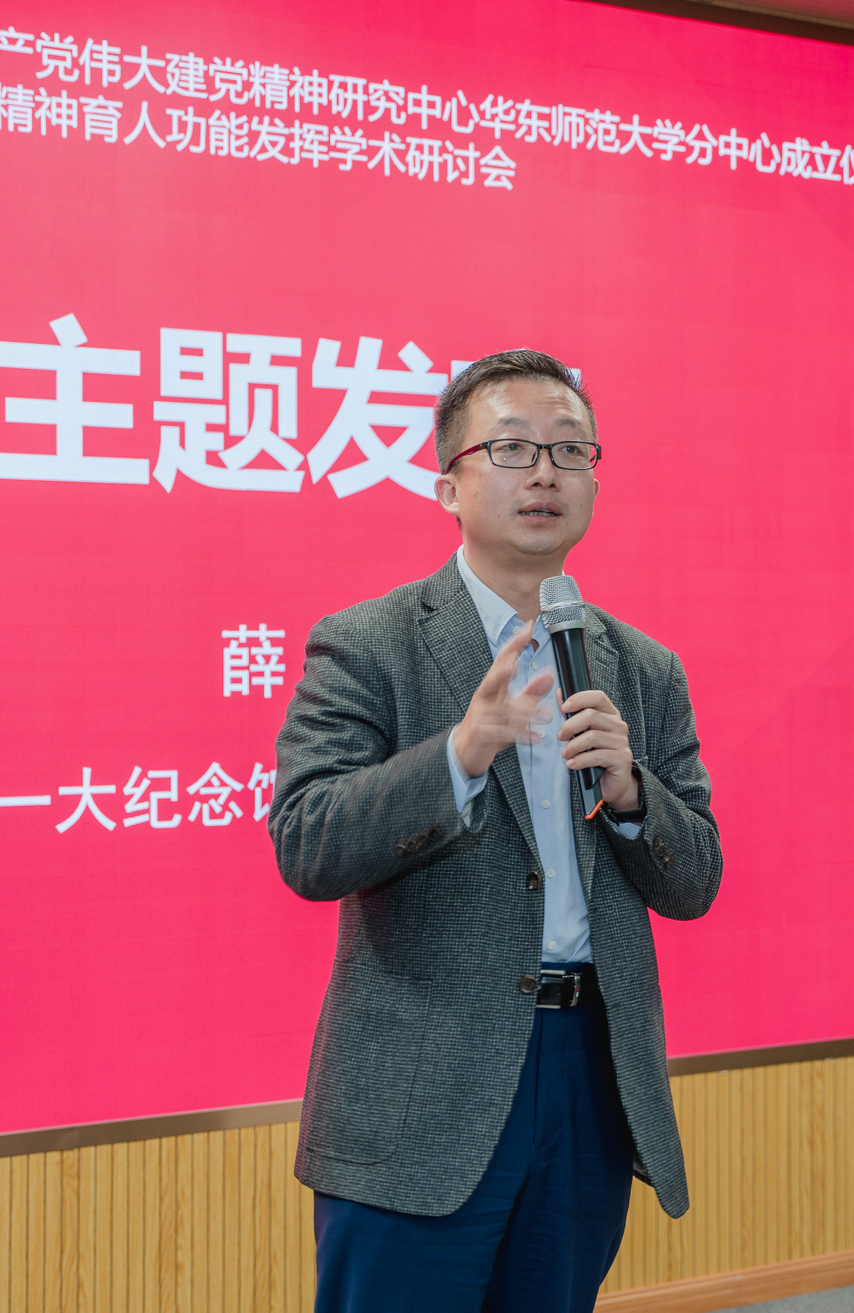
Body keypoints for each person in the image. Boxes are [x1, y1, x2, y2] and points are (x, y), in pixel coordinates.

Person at [268, 348, 722, 1312]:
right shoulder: (368, 642)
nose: (545, 472)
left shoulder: (642, 667)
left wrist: (632, 793)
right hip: (420, 1088)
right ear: (448, 484)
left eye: (570, 449)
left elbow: (695, 883)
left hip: (588, 1073)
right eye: (512, 448)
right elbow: (307, 843)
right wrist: (459, 754)